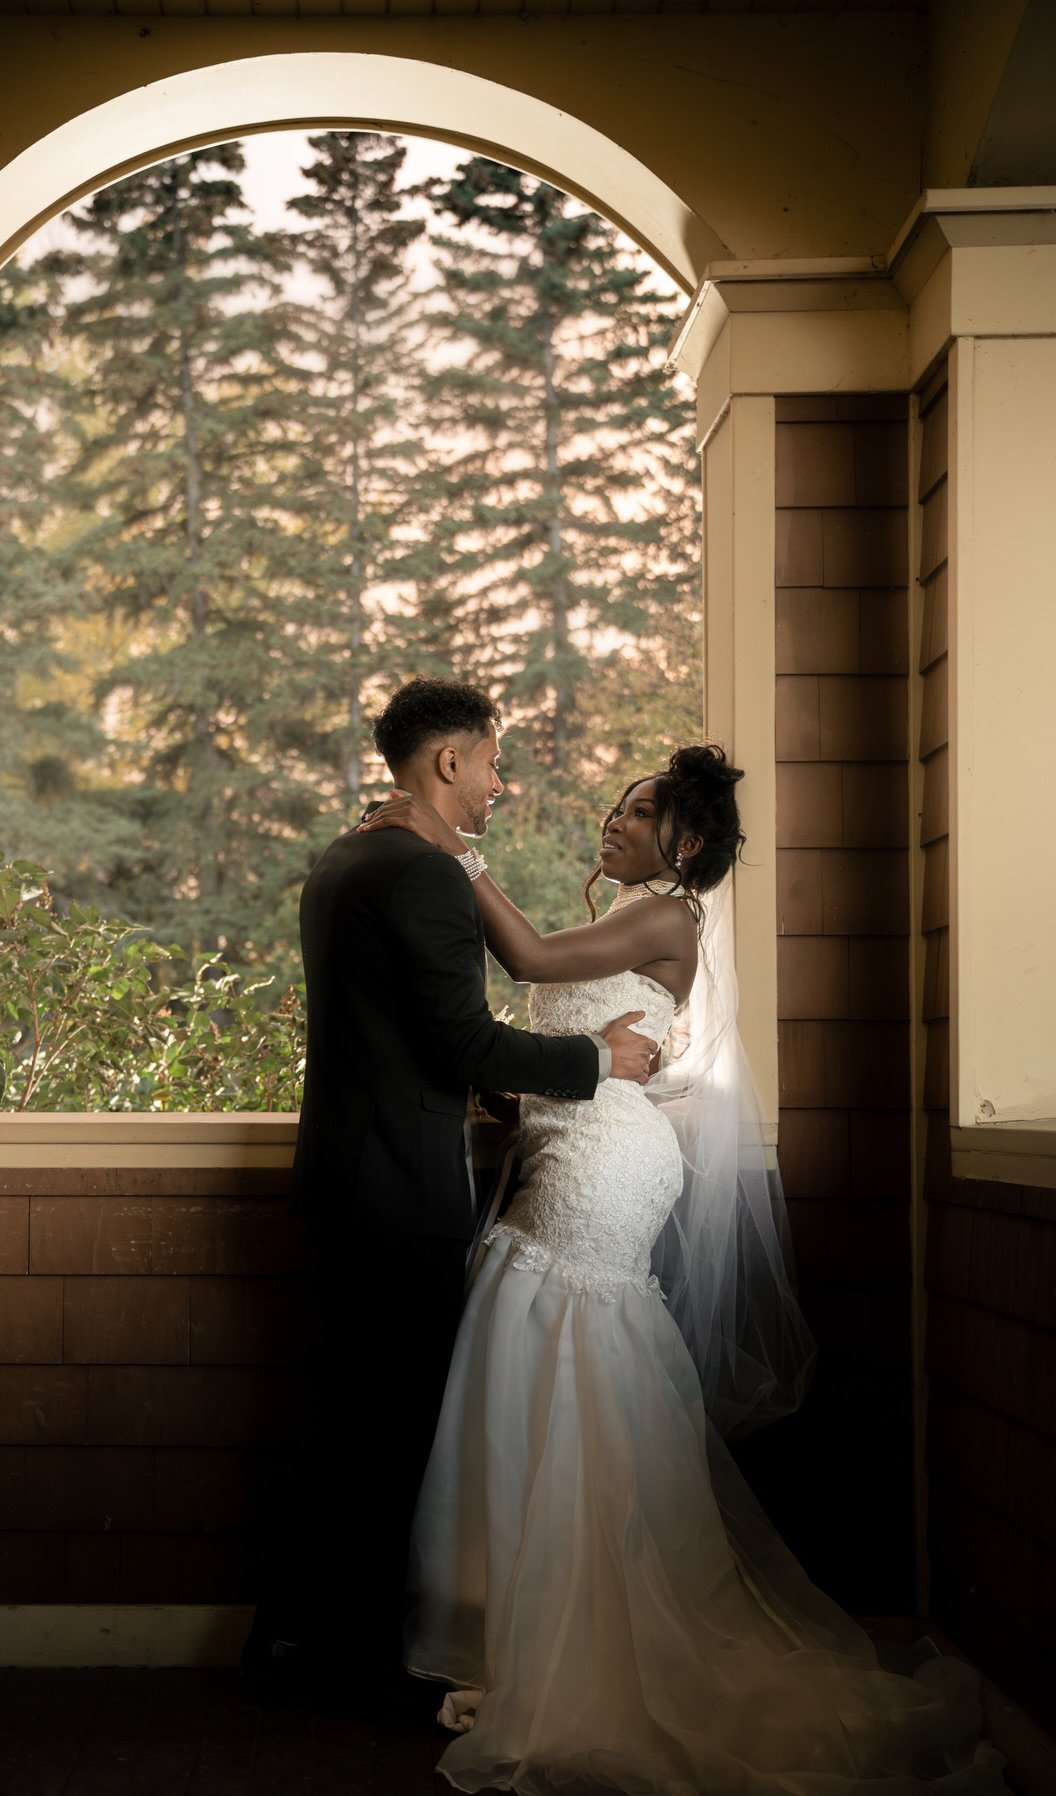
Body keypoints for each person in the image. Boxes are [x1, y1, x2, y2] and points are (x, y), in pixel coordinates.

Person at [359, 745, 1005, 1794]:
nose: (613, 818)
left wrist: (449, 845)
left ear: (687, 842)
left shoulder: (667, 914)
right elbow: (575, 1027)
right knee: (537, 1371)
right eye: (614, 803)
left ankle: (585, 1638)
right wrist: (521, 1095)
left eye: (640, 808)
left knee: (565, 1355)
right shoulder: (636, 917)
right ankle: (531, 1626)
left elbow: (523, 960)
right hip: (575, 1147)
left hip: (603, 1175)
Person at [242, 677, 657, 1715]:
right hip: (395, 1188)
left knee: (354, 1420)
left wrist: (501, 1092)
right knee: (391, 1432)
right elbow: (461, 1036)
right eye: (493, 762)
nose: (499, 785)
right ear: (448, 762)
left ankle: (295, 1640)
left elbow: (398, 1027)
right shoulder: (420, 872)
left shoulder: (348, 856)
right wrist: (597, 1059)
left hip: (348, 1173)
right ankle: (349, 1662)